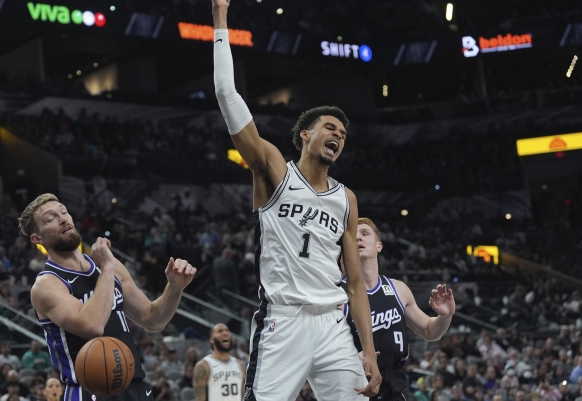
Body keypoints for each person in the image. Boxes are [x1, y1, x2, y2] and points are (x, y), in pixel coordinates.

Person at [210, 2, 381, 400]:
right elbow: (226, 93)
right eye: (329, 127)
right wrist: (220, 19)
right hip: (282, 323)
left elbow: (355, 282)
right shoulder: (274, 170)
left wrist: (368, 351)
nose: (338, 135)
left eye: (343, 133)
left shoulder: (346, 198)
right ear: (305, 134)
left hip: (334, 326)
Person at [22, 194, 197, 401]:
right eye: (50, 219)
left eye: (63, 211)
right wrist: (107, 268)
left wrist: (174, 288)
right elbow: (92, 326)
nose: (62, 219)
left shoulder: (108, 264)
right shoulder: (47, 284)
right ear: (37, 238)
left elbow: (153, 319)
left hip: (134, 388)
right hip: (89, 391)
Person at [343, 218, 455, 401]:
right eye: (352, 237)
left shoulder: (398, 289)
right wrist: (349, 359)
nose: (358, 239)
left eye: (364, 234)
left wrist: (445, 316)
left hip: (393, 389)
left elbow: (429, 331)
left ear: (379, 246)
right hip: (353, 390)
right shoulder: (337, 294)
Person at [193, 323, 245, 401]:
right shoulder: (204, 365)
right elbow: (200, 398)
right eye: (220, 331)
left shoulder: (240, 365)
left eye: (227, 331)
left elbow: (242, 396)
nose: (225, 333)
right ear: (212, 340)